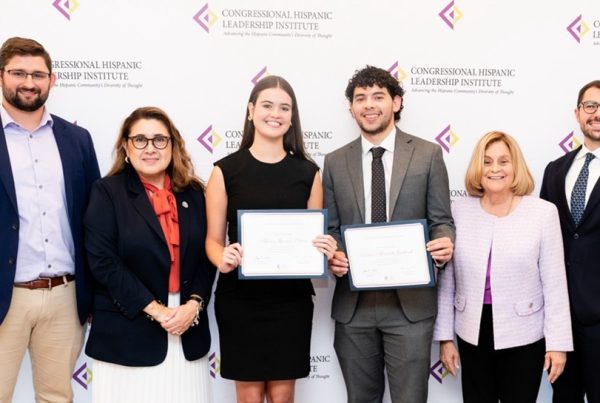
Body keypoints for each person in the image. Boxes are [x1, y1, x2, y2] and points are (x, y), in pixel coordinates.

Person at [324, 65, 455, 403]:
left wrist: (445, 243)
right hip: (354, 306)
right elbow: (332, 228)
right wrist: (335, 255)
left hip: (409, 306)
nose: (369, 105)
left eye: (378, 96)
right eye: (360, 98)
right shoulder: (335, 162)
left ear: (396, 102)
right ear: (351, 108)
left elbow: (442, 220)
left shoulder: (428, 154)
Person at [205, 75, 337, 403]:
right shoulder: (224, 171)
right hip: (239, 299)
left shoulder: (309, 173)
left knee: (283, 398)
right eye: (266, 105)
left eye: (284, 107)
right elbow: (212, 239)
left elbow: (315, 239)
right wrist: (222, 258)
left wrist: (325, 248)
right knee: (248, 398)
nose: (274, 113)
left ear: (292, 117)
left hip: (290, 301)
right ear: (251, 111)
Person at [84, 107, 215, 403]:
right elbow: (103, 262)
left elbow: (208, 258)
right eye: (140, 140)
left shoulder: (194, 193)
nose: (150, 148)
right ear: (126, 147)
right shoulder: (107, 192)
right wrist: (156, 309)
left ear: (173, 145)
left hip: (186, 330)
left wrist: (193, 305)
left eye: (159, 140)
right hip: (127, 333)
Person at [435, 131, 573, 403]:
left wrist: (558, 344)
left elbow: (555, 283)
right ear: (478, 168)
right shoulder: (459, 210)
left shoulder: (543, 213)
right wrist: (445, 338)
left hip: (524, 336)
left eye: (503, 161)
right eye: (487, 162)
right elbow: (447, 281)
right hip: (472, 331)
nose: (495, 169)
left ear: (515, 167)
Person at [0, 37, 100, 402]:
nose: (29, 82)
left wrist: (93, 293)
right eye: (18, 73)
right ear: (1, 76)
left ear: (52, 80)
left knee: (57, 396)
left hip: (65, 296)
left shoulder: (77, 139)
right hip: (5, 293)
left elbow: (94, 219)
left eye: (38, 74)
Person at [541, 80, 600, 403]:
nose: (596, 114)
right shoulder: (554, 171)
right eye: (590, 106)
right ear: (578, 114)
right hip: (560, 320)